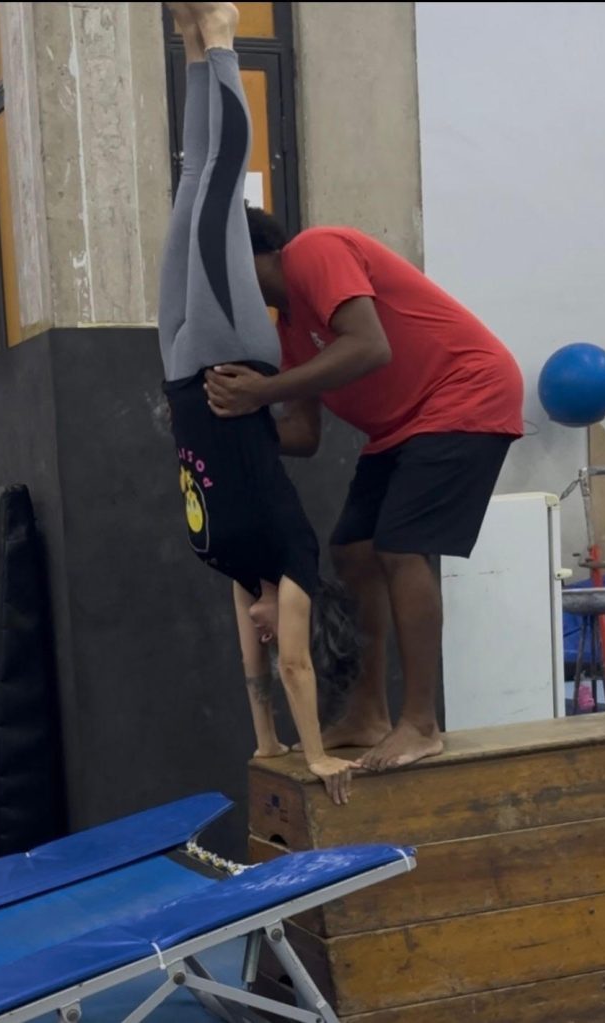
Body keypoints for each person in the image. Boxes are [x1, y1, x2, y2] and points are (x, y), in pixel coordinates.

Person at [204, 211, 524, 771]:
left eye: (224, 275)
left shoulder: (314, 251)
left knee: (399, 547)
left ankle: (421, 723)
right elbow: (301, 435)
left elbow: (370, 346)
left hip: (465, 394)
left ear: (249, 257)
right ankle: (367, 712)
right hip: (399, 428)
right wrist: (225, 433)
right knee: (353, 550)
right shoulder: (286, 333)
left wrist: (265, 391)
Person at [158, 1, 358, 804]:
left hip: (180, 364)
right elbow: (295, 663)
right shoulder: (288, 555)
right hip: (230, 349)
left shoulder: (244, 575)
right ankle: (225, 35)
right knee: (216, 185)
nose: (267, 634)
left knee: (187, 180)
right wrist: (313, 757)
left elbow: (257, 671)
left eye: (265, 631)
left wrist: (267, 739)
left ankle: (186, 43)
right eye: (280, 626)